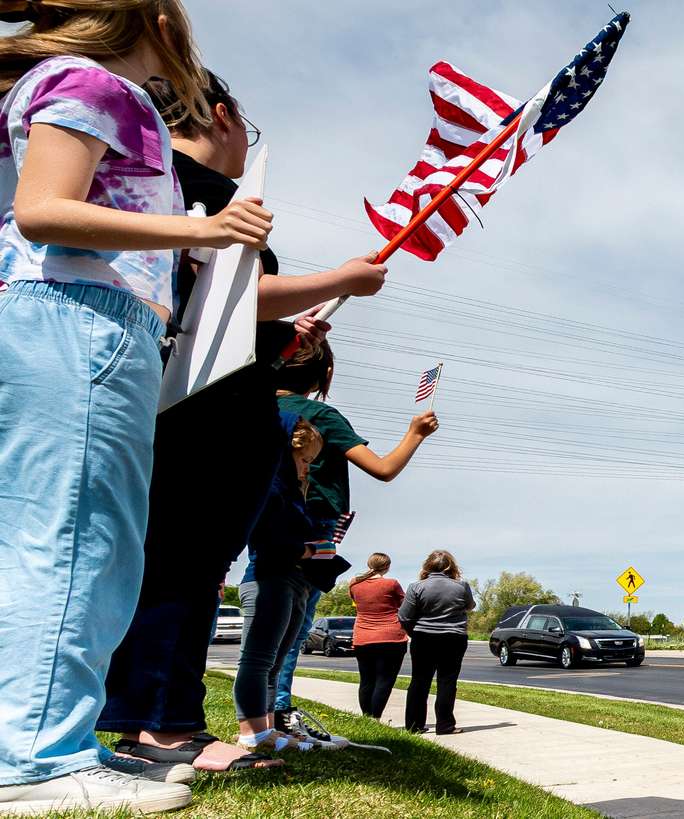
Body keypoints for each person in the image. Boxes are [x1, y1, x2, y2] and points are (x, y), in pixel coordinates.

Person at [0, 1, 267, 813]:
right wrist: (206, 231)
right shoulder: (97, 83)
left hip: (65, 318)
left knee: (60, 537)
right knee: (82, 539)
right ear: (156, 16)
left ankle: (49, 741)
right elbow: (41, 209)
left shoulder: (62, 84)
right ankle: (38, 759)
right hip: (84, 318)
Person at [97, 69, 387, 773]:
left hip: (189, 397)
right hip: (209, 414)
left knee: (179, 564)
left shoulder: (157, 188)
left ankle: (156, 718)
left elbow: (216, 310)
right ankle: (163, 724)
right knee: (186, 563)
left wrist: (286, 337)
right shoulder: (201, 191)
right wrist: (341, 279)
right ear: (220, 116)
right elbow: (223, 293)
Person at [269, 340, 438, 740]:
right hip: (315, 522)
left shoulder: (253, 407)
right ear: (324, 375)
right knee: (294, 623)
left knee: (267, 614)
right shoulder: (319, 415)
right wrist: (416, 433)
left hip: (263, 518)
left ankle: (260, 713)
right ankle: (276, 710)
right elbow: (383, 469)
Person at [233, 414, 328, 754]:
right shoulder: (269, 488)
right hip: (267, 578)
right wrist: (305, 548)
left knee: (275, 662)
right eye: (305, 460)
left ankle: (268, 728)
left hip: (292, 578)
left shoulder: (292, 493)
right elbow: (264, 535)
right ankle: (251, 731)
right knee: (258, 660)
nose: (307, 469)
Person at [399, 551, 475, 735]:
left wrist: (413, 632)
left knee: (419, 681)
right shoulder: (461, 586)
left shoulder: (416, 587)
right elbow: (470, 606)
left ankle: (414, 725)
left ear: (428, 565)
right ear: (451, 566)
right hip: (454, 638)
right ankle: (445, 725)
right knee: (447, 680)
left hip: (423, 637)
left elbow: (404, 616)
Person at [350, 553, 408, 720]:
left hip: (363, 636)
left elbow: (357, 602)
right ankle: (374, 719)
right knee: (384, 680)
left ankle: (366, 717)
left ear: (369, 564)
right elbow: (404, 606)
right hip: (391, 637)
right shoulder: (392, 584)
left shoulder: (354, 583)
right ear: (387, 566)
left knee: (366, 680)